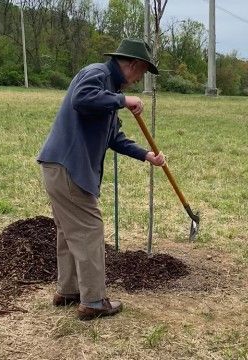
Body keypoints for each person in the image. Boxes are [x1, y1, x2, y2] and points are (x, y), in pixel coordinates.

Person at [37, 38, 165, 321]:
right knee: (89, 228)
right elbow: (81, 98)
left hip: (59, 167)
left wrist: (146, 155)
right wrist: (122, 100)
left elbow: (114, 138)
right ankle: (93, 301)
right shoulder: (97, 74)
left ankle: (68, 291)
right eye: (141, 72)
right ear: (133, 64)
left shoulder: (111, 88)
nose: (138, 80)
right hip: (68, 166)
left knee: (68, 230)